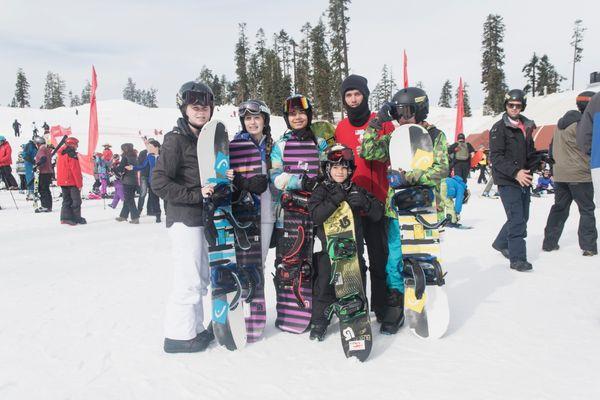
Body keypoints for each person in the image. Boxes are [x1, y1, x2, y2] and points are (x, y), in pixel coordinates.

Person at [360, 87, 449, 334]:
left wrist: (408, 177)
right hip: (397, 209)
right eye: (398, 112)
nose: (402, 118)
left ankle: (427, 296)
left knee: (423, 256)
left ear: (420, 109)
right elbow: (367, 150)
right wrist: (379, 120)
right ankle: (396, 304)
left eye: (407, 111)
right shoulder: (395, 137)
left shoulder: (435, 136)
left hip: (424, 207)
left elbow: (441, 168)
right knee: (394, 260)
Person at [151, 81, 218, 353]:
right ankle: (178, 336)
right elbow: (158, 182)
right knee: (188, 279)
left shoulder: (204, 138)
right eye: (195, 107)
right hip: (184, 219)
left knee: (200, 278)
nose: (201, 112)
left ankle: (195, 329)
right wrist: (196, 195)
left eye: (205, 107)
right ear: (184, 109)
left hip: (202, 218)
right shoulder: (175, 140)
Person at [334, 74, 394, 322]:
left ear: (365, 95)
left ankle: (381, 307)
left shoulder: (381, 123)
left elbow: (393, 156)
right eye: (348, 95)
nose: (353, 99)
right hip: (351, 204)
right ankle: (358, 308)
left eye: (357, 94)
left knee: (380, 258)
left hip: (378, 200)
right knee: (354, 261)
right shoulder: (340, 128)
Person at [307, 144, 383, 341]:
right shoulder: (321, 190)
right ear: (327, 169)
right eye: (335, 167)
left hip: (352, 252)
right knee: (324, 285)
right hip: (328, 251)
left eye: (344, 168)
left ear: (350, 170)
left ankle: (358, 319)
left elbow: (378, 214)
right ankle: (320, 322)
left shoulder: (356, 190)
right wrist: (335, 199)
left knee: (356, 286)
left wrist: (365, 203)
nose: (340, 172)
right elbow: (315, 216)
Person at [543, 91, 597, 256]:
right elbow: (591, 147)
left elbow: (551, 149)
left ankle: (549, 243)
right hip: (580, 175)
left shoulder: (559, 126)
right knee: (586, 209)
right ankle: (588, 246)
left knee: (559, 208)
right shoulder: (585, 124)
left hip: (560, 175)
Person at [489, 89, 537, 272]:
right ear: (506, 106)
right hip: (507, 179)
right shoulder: (499, 128)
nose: (514, 109)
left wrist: (538, 160)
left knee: (523, 216)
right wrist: (516, 172)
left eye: (518, 106)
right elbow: (497, 157)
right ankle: (518, 259)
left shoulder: (526, 126)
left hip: (524, 178)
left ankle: (501, 242)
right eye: (511, 105)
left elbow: (528, 152)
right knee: (517, 218)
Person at [231, 99, 275, 265]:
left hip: (267, 213)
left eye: (257, 118)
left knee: (260, 262)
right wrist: (241, 182)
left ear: (265, 120)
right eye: (248, 118)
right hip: (244, 213)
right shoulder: (235, 146)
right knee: (244, 262)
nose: (252, 122)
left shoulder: (272, 147)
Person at [127, 139, 162, 223]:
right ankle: (158, 215)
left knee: (166, 198)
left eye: (150, 147)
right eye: (148, 147)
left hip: (162, 180)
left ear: (156, 147)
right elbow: (142, 166)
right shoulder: (149, 156)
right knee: (154, 198)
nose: (148, 148)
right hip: (152, 180)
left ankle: (169, 213)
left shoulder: (163, 155)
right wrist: (133, 168)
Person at [56, 137, 85, 225]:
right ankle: (76, 218)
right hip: (71, 181)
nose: (77, 146)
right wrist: (79, 184)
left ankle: (65, 218)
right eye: (76, 144)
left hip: (63, 180)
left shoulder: (61, 153)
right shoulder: (71, 154)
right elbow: (75, 170)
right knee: (76, 200)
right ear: (72, 144)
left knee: (66, 200)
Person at [114, 143, 140, 224]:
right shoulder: (135, 156)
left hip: (128, 181)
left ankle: (135, 217)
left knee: (129, 199)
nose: (121, 150)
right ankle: (123, 216)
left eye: (122, 149)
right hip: (134, 180)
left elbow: (121, 169)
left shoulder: (125, 157)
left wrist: (114, 168)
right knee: (128, 198)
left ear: (125, 149)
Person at [33, 136, 54, 212]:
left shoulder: (41, 149)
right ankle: (48, 206)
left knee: (43, 189)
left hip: (43, 172)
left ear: (38, 143)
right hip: (48, 171)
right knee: (46, 189)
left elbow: (43, 159)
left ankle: (45, 205)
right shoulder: (47, 148)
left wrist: (37, 165)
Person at [136, 147, 150, 214]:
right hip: (144, 175)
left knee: (153, 194)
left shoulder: (157, 152)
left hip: (153, 175)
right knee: (143, 193)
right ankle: (139, 210)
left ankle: (150, 210)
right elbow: (139, 163)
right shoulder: (143, 152)